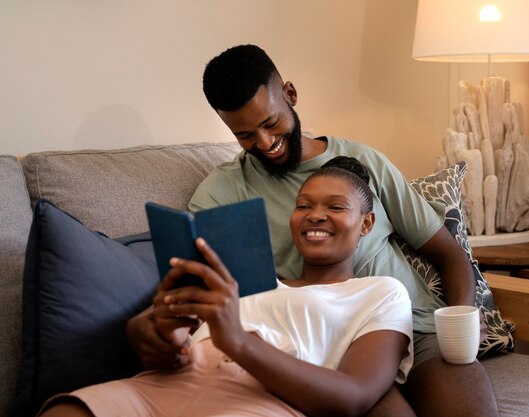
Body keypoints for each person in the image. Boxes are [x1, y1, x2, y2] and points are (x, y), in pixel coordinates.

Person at [127, 44, 499, 417]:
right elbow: (194, 284)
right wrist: (145, 324)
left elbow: (446, 251)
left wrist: (463, 317)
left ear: (290, 94)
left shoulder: (366, 161)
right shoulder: (221, 193)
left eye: (271, 123)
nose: (265, 143)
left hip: (415, 326)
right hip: (324, 340)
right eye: (244, 135)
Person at [39, 157, 415, 417]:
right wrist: (151, 332)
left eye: (335, 207)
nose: (315, 214)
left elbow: (353, 397)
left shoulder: (380, 293)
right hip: (169, 382)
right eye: (304, 205)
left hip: (263, 398)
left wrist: (237, 338)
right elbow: (146, 331)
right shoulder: (241, 276)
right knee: (65, 411)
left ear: (366, 224)